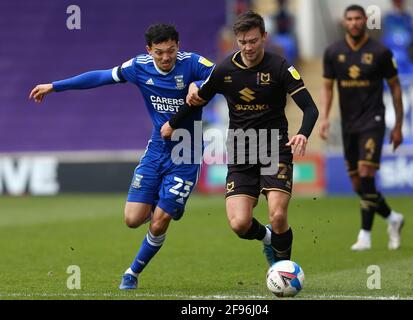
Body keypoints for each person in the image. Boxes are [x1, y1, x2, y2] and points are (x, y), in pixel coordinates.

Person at [29, 24, 215, 289]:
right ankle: (168, 203)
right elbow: (101, 77)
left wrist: (198, 84)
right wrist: (55, 86)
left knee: (160, 220)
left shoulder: (193, 63)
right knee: (132, 220)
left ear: (178, 46)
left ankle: (132, 272)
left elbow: (220, 76)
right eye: (159, 52)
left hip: (186, 152)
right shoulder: (139, 66)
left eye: (171, 51)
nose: (165, 58)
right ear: (148, 50)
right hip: (156, 150)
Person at [161, 11, 319, 266]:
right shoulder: (224, 69)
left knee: (278, 215)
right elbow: (197, 99)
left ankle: (283, 270)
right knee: (239, 223)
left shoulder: (280, 67)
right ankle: (269, 239)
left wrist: (303, 133)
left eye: (253, 41)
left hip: (273, 147)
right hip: (241, 152)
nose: (248, 47)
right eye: (243, 42)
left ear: (264, 37)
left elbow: (311, 108)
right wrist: (172, 123)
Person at [319, 5, 405, 251]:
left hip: (373, 121)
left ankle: (365, 235)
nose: (354, 22)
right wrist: (324, 118)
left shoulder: (380, 52)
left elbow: (396, 88)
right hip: (348, 125)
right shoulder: (333, 52)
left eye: (358, 18)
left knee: (367, 175)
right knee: (359, 185)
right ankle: (392, 218)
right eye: (350, 19)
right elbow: (326, 88)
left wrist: (398, 126)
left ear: (366, 20)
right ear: (344, 22)